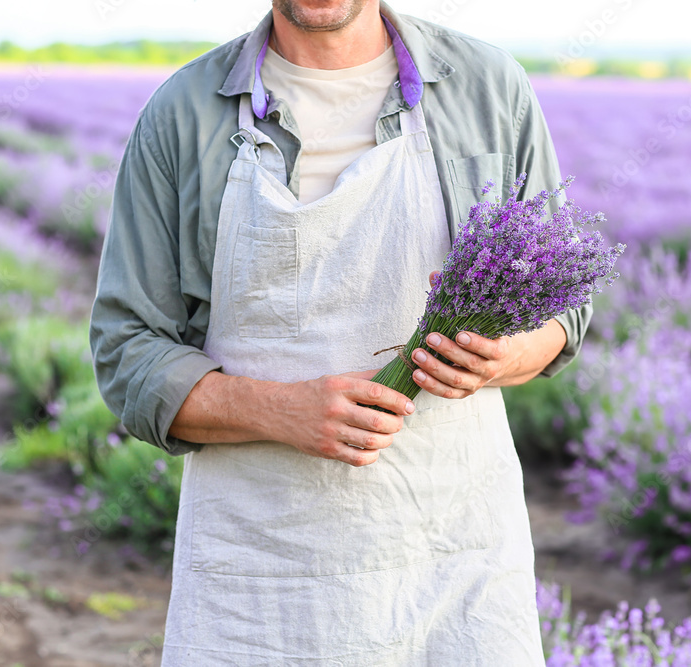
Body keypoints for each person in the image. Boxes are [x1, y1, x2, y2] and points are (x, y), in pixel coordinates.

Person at [89, 1, 592, 663]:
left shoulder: (487, 87)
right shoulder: (185, 114)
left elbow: (564, 309)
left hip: (454, 563)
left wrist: (503, 354)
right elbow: (128, 353)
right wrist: (281, 409)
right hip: (262, 579)